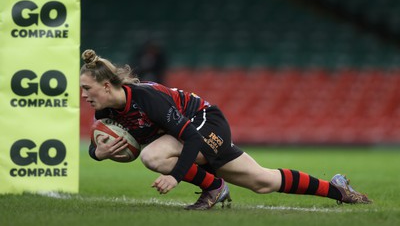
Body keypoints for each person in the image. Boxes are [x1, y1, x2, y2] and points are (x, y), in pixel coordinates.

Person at [80, 49, 372, 210]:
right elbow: (98, 144)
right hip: (186, 139)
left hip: (206, 122)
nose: (83, 94)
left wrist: (177, 177)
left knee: (153, 158)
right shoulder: (105, 108)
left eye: (87, 88)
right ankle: (339, 191)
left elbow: (191, 136)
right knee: (263, 182)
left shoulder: (147, 98)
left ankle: (214, 188)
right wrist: (98, 152)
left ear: (107, 86)